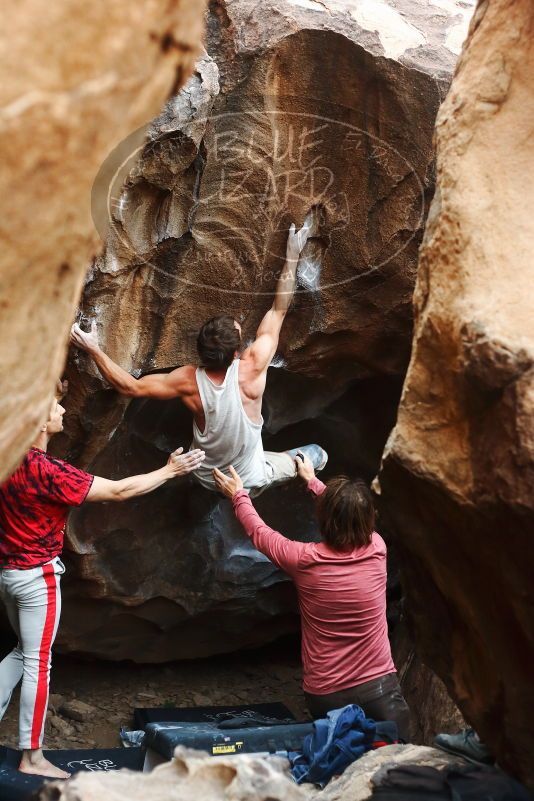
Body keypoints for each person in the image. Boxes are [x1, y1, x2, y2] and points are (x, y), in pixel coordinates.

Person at [0, 386, 205, 779]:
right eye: (54, 406)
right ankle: (32, 756)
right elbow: (120, 490)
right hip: (36, 578)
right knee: (38, 664)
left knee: (20, 652)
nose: (62, 408)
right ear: (41, 423)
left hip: (7, 574)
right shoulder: (47, 471)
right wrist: (169, 470)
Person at [70, 222, 328, 497]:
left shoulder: (188, 380)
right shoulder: (253, 366)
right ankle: (295, 464)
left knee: (210, 470)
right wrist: (292, 255)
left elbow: (130, 387)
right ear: (236, 354)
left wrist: (94, 349)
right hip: (250, 479)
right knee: (316, 454)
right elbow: (278, 310)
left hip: (207, 477)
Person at [213, 454, 411, 740]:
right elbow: (348, 518)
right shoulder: (377, 549)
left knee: (339, 758)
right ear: (370, 520)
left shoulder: (304, 560)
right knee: (400, 756)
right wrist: (313, 483)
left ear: (324, 519)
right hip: (378, 690)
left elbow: (260, 533)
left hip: (326, 694)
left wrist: (238, 495)